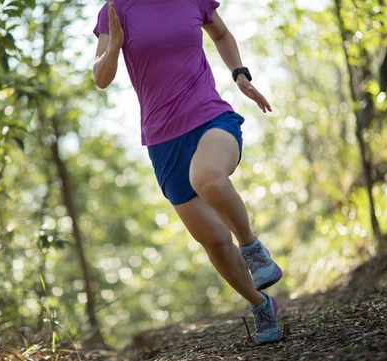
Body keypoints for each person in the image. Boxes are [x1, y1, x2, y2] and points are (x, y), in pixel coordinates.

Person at [93, 0, 283, 345]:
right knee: (213, 241)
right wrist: (115, 46)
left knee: (208, 178)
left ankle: (253, 249)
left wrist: (240, 73)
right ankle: (261, 304)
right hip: (162, 141)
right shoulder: (115, 9)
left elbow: (221, 34)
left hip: (209, 117)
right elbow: (100, 78)